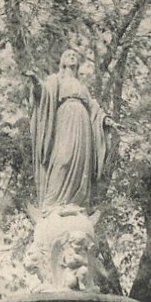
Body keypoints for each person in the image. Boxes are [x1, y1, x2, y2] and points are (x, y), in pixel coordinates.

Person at [27, 49, 115, 212]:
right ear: (62, 62)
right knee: (63, 157)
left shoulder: (82, 87)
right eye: (68, 55)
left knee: (81, 161)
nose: (72, 56)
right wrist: (35, 81)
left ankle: (75, 202)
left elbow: (94, 108)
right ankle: (51, 203)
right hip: (65, 119)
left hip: (82, 123)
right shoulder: (56, 80)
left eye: (75, 55)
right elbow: (43, 94)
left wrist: (106, 120)